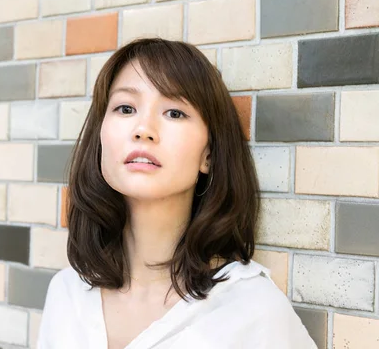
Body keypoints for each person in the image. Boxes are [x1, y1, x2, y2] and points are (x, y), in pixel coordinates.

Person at [36, 38, 317, 349]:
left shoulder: (252, 311)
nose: (144, 129)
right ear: (100, 138)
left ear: (208, 155)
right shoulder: (67, 294)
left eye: (174, 112)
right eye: (125, 108)